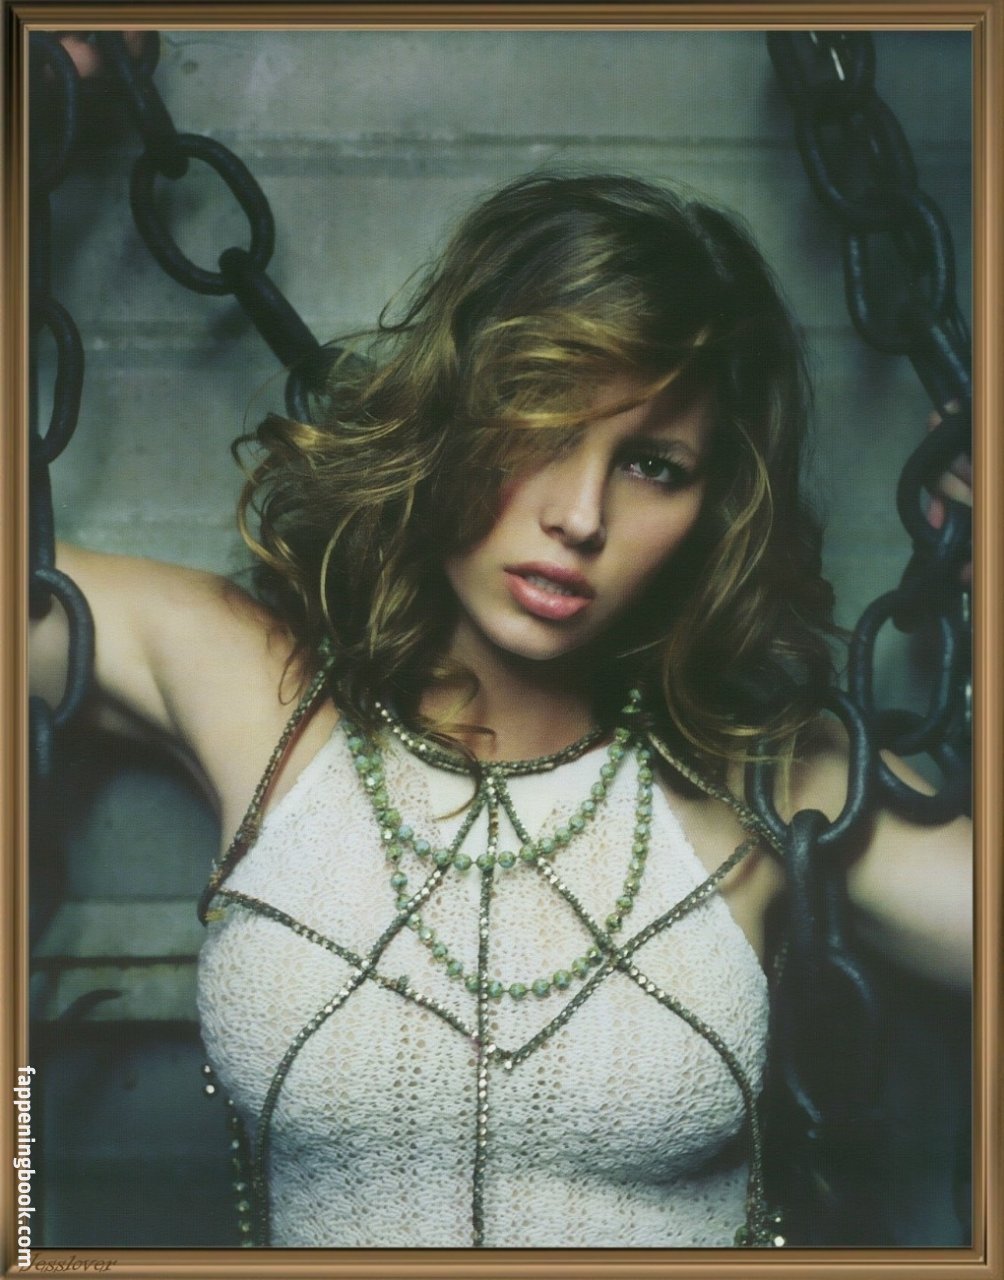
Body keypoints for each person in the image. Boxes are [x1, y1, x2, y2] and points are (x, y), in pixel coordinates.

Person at [31, 171, 972, 1250]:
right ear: (446, 418)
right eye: (540, 427)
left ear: (711, 508)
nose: (579, 516)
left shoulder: (774, 776)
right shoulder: (260, 689)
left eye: (653, 465)